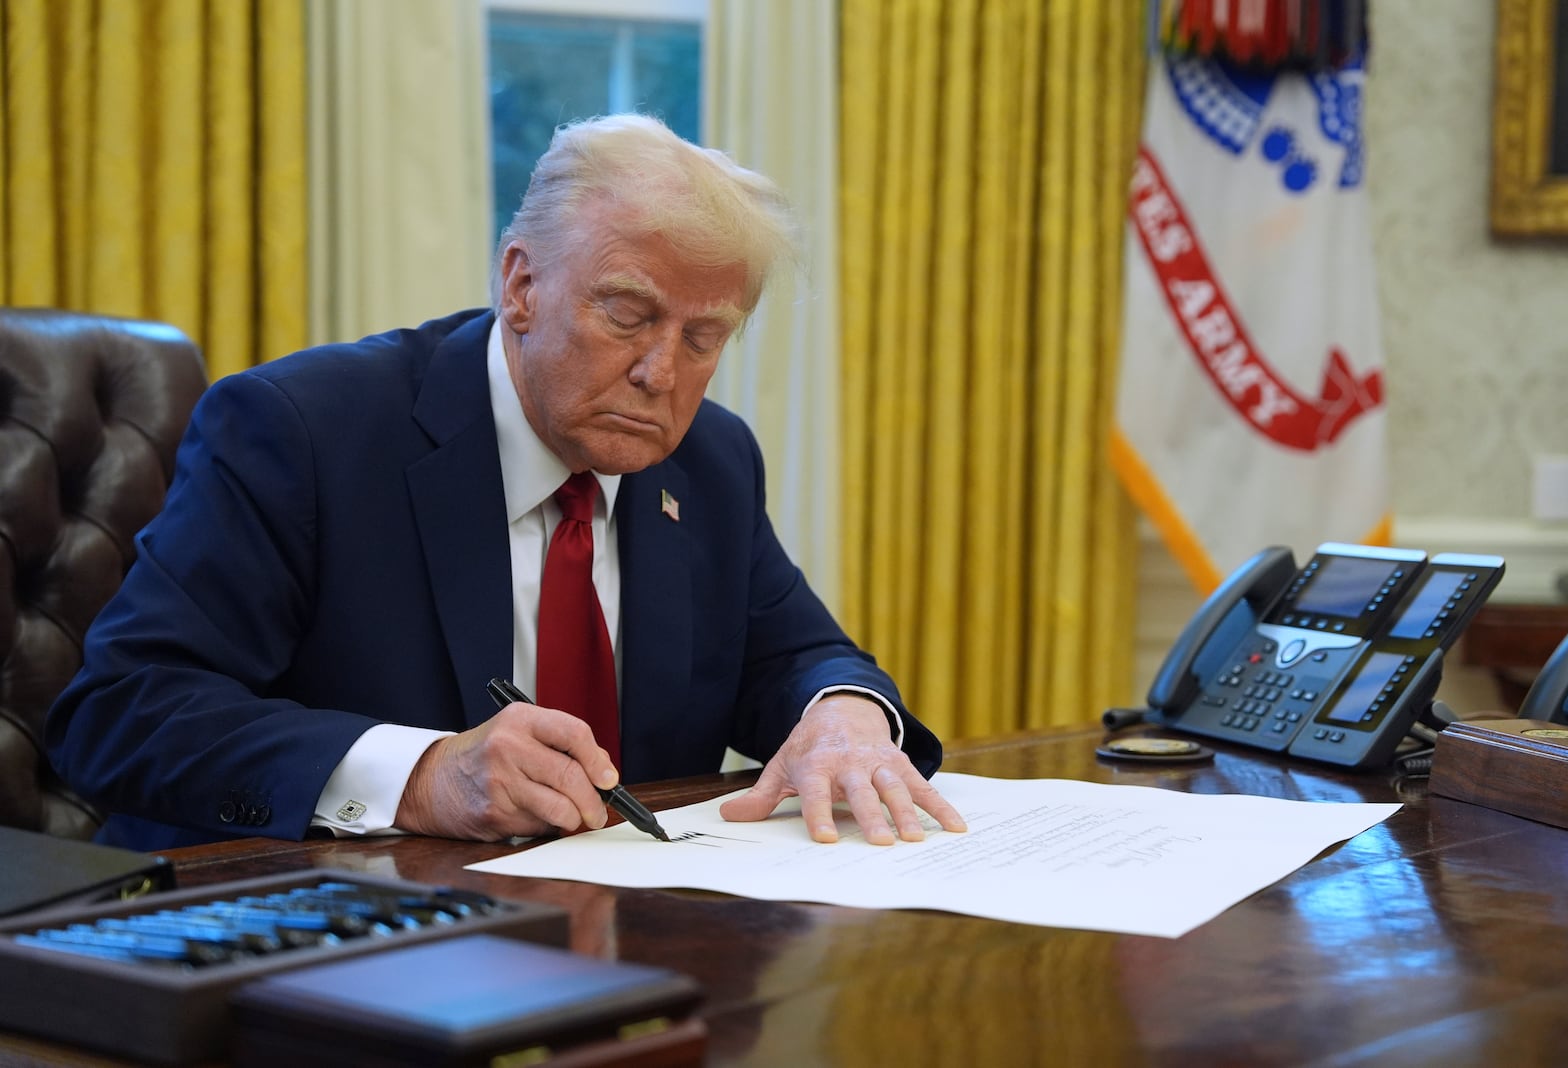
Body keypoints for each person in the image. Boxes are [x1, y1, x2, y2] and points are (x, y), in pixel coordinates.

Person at [47, 114, 966, 853]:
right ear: (521, 285)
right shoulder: (303, 429)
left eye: (703, 337)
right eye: (628, 313)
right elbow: (122, 711)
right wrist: (424, 774)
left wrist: (843, 716)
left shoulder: (709, 461)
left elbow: (795, 656)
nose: (661, 371)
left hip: (630, 945)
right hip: (314, 942)